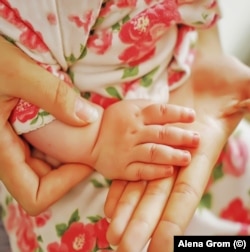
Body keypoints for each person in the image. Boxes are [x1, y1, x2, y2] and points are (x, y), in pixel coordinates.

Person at [1, 0, 248, 251]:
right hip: (80, 150)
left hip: (177, 95)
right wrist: (96, 142)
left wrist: (207, 51)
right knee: (122, 234)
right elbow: (22, 84)